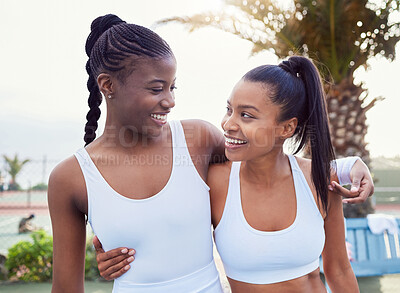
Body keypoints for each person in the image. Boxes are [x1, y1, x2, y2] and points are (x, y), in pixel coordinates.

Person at [49, 14, 372, 293]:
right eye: (156, 88)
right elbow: (66, 287)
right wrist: (105, 251)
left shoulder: (197, 140)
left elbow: (265, 155)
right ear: (107, 85)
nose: (170, 100)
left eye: (173, 87)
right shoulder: (70, 179)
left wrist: (346, 167)